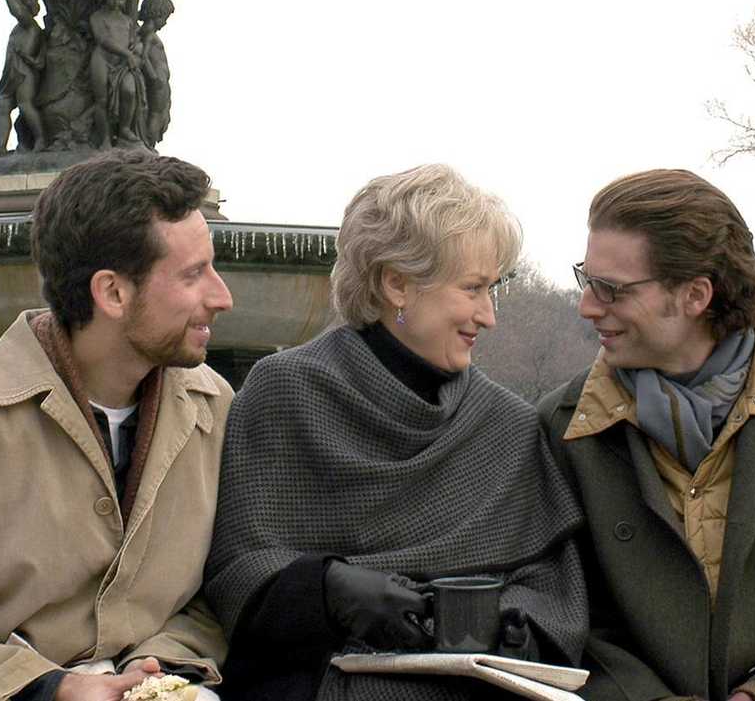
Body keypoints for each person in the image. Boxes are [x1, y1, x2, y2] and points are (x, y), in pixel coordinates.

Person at [0, 151, 236, 701]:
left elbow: (217, 596)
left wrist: (167, 666)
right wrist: (49, 689)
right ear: (113, 293)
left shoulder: (217, 410)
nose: (223, 297)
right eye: (194, 274)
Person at [204, 163, 589, 700]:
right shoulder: (284, 392)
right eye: (473, 289)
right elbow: (236, 568)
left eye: (493, 289)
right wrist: (328, 590)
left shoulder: (506, 424)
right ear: (397, 284)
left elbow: (554, 587)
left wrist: (518, 626)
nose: (489, 315)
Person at [537, 169, 755, 701]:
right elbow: (561, 617)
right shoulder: (560, 427)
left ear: (695, 295)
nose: (588, 305)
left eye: (609, 289)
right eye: (586, 279)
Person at [0, 0, 46, 154]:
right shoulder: (18, 28)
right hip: (11, 71)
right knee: (3, 106)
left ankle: (41, 139)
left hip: (25, 72)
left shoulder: (29, 25)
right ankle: (0, 145)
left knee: (24, 104)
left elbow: (18, 12)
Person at [89, 0, 142, 148]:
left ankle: (124, 129)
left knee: (129, 91)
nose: (116, 3)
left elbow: (134, 40)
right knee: (101, 100)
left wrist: (135, 48)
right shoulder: (97, 16)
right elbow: (102, 39)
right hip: (102, 59)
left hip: (123, 64)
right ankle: (104, 138)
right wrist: (127, 54)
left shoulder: (128, 21)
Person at [136, 0, 175, 148]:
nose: (164, 23)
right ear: (155, 14)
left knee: (159, 114)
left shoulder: (148, 34)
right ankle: (148, 144)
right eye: (164, 18)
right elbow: (144, 57)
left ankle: (148, 144)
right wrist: (153, 77)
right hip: (157, 82)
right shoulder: (148, 35)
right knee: (155, 114)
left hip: (160, 82)